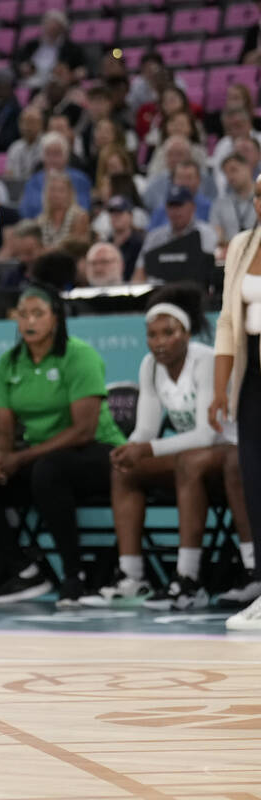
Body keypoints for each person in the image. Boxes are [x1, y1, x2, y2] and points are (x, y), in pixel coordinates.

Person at [0, 283, 127, 607]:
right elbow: (3, 427)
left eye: (38, 314)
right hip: (39, 458)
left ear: (55, 318)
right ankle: (24, 568)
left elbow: (84, 430)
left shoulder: (79, 355)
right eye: (23, 315)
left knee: (48, 471)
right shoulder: (10, 362)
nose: (29, 322)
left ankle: (74, 576)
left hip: (98, 453)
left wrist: (20, 458)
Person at [83, 286, 252, 610]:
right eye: (152, 335)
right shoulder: (150, 365)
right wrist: (130, 449)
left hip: (229, 447)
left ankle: (189, 580)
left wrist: (146, 448)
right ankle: (132, 577)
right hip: (192, 456)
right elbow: (146, 428)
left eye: (168, 333)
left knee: (188, 461)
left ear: (186, 333)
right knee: (126, 470)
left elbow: (206, 434)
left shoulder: (205, 360)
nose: (159, 342)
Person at [213, 175, 261, 630]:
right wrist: (219, 388)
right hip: (253, 377)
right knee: (255, 481)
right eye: (259, 193)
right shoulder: (243, 244)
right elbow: (229, 320)